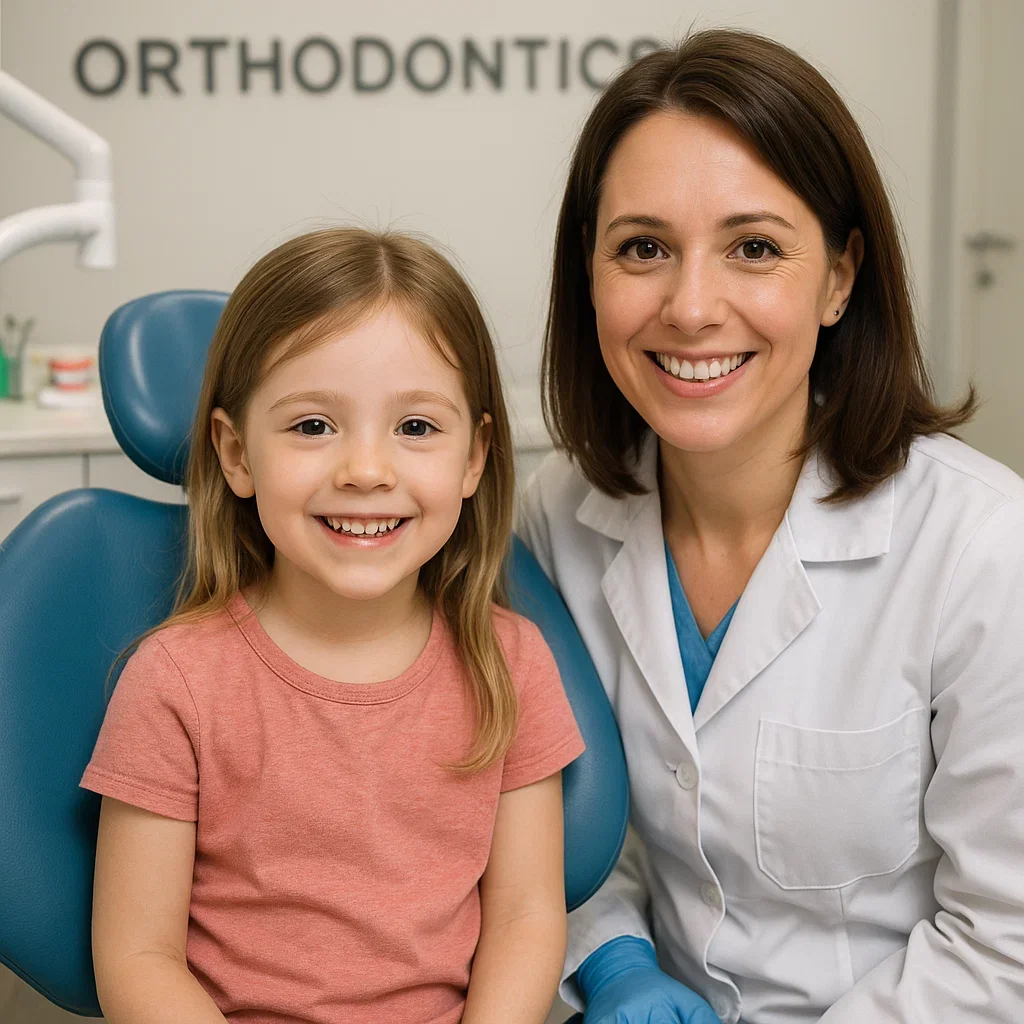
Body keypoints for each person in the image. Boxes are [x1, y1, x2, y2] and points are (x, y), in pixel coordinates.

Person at [519, 28, 1024, 1024]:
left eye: (753, 247)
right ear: (588, 274)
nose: (691, 305)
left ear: (839, 277)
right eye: (642, 248)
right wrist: (615, 959)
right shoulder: (556, 513)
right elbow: (559, 830)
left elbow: (1004, 941)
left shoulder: (980, 545)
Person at [82, 228, 585, 1024]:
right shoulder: (175, 682)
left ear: (474, 458)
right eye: (313, 426)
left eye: (416, 428)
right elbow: (137, 957)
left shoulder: (510, 664)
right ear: (236, 452)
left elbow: (526, 919)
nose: (365, 469)